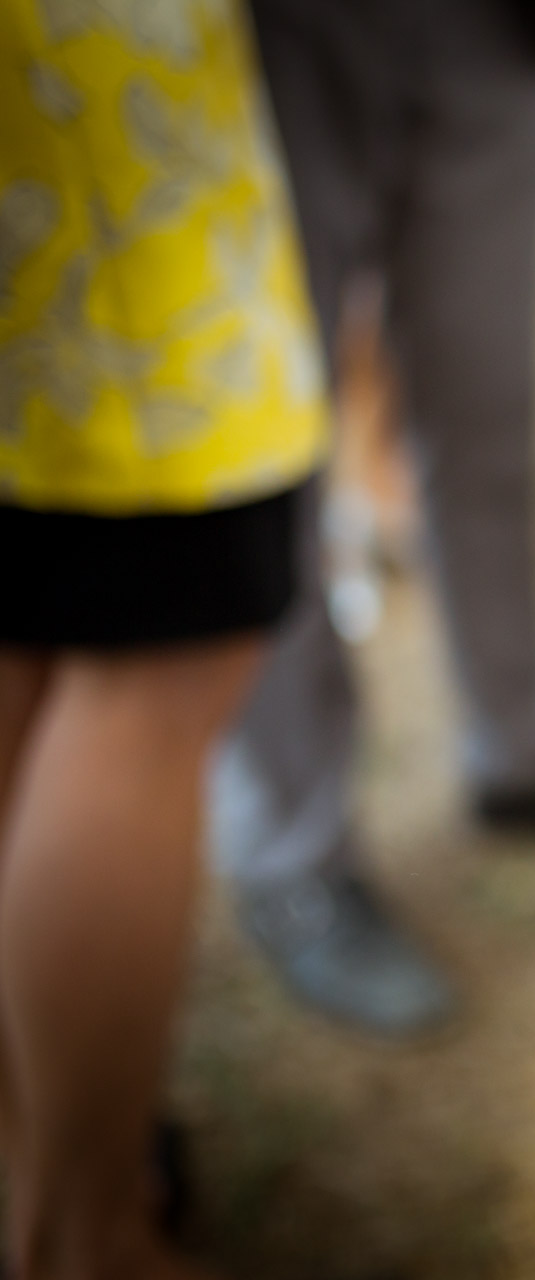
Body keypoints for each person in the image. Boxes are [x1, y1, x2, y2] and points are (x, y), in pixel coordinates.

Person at [218, 0, 535, 1039]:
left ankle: (525, 755)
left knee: (491, 410)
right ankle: (293, 856)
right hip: (275, 34)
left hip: (486, 34)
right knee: (273, 442)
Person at [0, 1, 326, 1272]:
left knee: (28, 642)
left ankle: (33, 1159)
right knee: (152, 683)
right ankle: (88, 1227)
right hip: (100, 129)